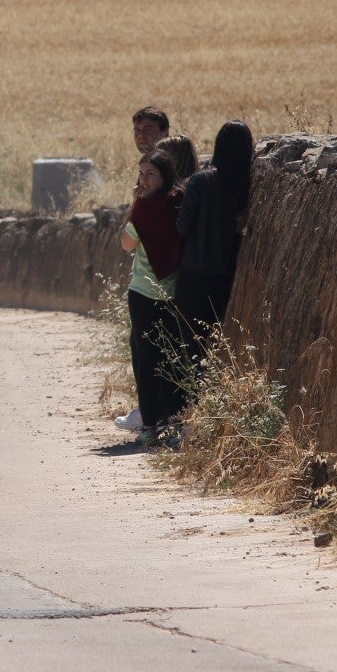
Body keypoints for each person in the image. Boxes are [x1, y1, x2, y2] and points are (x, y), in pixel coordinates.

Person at [114, 106, 177, 433]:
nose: (142, 135)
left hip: (156, 283)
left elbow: (131, 238)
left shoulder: (166, 171)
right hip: (160, 281)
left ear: (164, 131)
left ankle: (153, 416)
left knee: (150, 351)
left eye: (148, 128)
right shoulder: (156, 170)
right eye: (137, 129)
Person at [175, 119, 255, 350]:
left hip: (194, 274)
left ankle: (193, 387)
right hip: (227, 275)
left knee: (191, 345)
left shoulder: (201, 181)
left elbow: (183, 227)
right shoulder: (248, 185)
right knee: (215, 342)